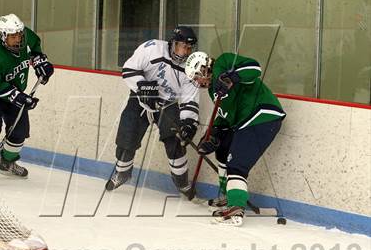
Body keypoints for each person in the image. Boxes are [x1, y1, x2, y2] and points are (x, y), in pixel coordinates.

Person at [184, 51, 286, 226]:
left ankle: (236, 208)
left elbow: (254, 68)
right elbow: (225, 116)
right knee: (223, 151)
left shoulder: (223, 62)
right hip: (243, 121)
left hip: (262, 114)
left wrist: (232, 77)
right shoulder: (212, 90)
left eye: (197, 76)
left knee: (236, 164)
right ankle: (228, 197)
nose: (197, 82)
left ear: (204, 68)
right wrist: (213, 135)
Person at [105, 26, 200, 198]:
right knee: (127, 137)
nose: (186, 52)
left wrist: (188, 122)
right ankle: (122, 173)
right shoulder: (152, 48)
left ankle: (182, 182)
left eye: (189, 48)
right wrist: (143, 88)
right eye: (183, 46)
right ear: (173, 43)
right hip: (140, 99)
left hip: (168, 104)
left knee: (175, 141)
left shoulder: (191, 67)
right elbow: (128, 69)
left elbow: (189, 99)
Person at [0, 13, 54, 177]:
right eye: (13, 36)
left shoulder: (27, 37)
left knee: (19, 132)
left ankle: (7, 163)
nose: (18, 38)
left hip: (14, 90)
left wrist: (40, 63)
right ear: (3, 36)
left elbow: (34, 50)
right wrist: (19, 97)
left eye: (19, 34)